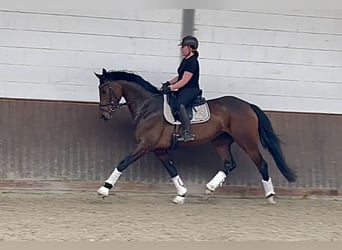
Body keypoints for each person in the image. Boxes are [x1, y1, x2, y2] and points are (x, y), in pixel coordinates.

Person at [160, 35, 201, 142]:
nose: (181, 49)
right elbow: (180, 76)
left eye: (183, 47)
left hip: (191, 89)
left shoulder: (193, 62)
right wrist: (168, 83)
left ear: (190, 48)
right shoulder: (185, 60)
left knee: (180, 104)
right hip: (184, 88)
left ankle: (187, 133)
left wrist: (171, 88)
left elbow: (184, 81)